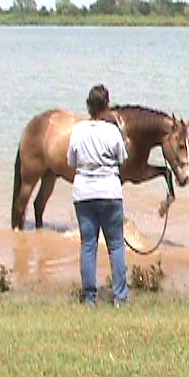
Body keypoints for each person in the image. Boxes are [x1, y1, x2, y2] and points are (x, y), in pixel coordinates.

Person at [67, 84, 129, 307]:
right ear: (107, 106)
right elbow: (123, 158)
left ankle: (89, 298)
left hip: (84, 194)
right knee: (116, 246)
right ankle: (120, 297)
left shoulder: (77, 130)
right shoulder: (112, 131)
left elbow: (71, 161)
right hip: (110, 193)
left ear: (88, 106)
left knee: (88, 246)